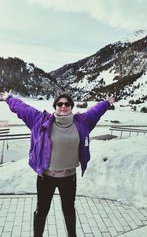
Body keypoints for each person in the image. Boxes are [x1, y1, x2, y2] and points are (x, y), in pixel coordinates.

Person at [0, 90, 115, 237]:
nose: (63, 106)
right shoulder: (41, 120)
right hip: (46, 177)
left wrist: (106, 103)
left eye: (67, 104)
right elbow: (23, 109)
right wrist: (9, 98)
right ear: (55, 106)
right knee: (42, 210)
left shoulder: (82, 122)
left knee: (69, 210)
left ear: (71, 106)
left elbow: (95, 111)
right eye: (60, 103)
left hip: (69, 177)